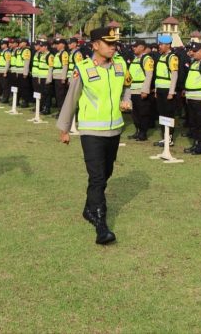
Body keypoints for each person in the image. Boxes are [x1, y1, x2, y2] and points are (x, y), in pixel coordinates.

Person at [57, 27, 132, 246]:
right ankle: (101, 225)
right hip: (91, 131)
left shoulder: (120, 65)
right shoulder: (83, 68)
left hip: (114, 128)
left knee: (106, 172)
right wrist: (64, 128)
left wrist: (127, 100)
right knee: (97, 176)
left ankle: (89, 208)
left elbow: (128, 85)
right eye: (108, 43)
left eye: (115, 44)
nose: (113, 47)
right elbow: (72, 98)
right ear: (95, 45)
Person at [182, 43, 201, 155]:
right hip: (191, 97)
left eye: (195, 51)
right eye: (192, 51)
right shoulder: (194, 63)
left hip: (200, 98)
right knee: (193, 122)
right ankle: (195, 144)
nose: (193, 53)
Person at [153, 34, 179, 148]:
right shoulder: (161, 56)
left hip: (167, 90)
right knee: (162, 114)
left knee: (168, 114)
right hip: (160, 90)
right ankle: (165, 137)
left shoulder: (172, 57)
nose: (159, 46)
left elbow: (174, 75)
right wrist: (156, 89)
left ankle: (169, 138)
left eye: (161, 44)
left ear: (168, 45)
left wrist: (171, 92)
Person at [127, 39, 154, 141]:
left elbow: (149, 75)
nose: (133, 48)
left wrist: (145, 90)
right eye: (133, 46)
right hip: (133, 90)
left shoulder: (147, 59)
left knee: (143, 113)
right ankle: (137, 131)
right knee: (135, 113)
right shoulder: (135, 58)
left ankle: (143, 133)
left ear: (142, 47)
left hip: (141, 90)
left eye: (135, 46)